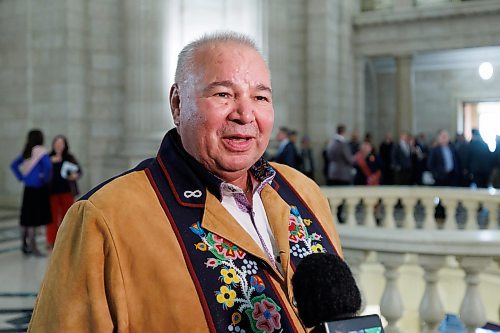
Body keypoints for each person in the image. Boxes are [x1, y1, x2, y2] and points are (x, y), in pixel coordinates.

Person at [28, 32, 343, 332]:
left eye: (260, 97)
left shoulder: (302, 191)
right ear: (177, 104)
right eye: (223, 94)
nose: (246, 114)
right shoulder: (104, 216)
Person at [10, 129, 52, 256]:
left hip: (27, 189)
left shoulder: (27, 152)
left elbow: (13, 165)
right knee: (34, 219)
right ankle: (34, 248)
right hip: (38, 189)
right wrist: (44, 179)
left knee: (26, 218)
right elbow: (48, 166)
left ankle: (24, 245)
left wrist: (21, 177)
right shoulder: (41, 151)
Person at [46, 135, 82, 248]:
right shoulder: (48, 157)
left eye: (61, 143)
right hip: (52, 192)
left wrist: (75, 175)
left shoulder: (70, 157)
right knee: (52, 217)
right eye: (57, 143)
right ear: (53, 144)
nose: (59, 145)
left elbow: (79, 171)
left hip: (67, 191)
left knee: (67, 217)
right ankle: (52, 240)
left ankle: (67, 240)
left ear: (65, 145)